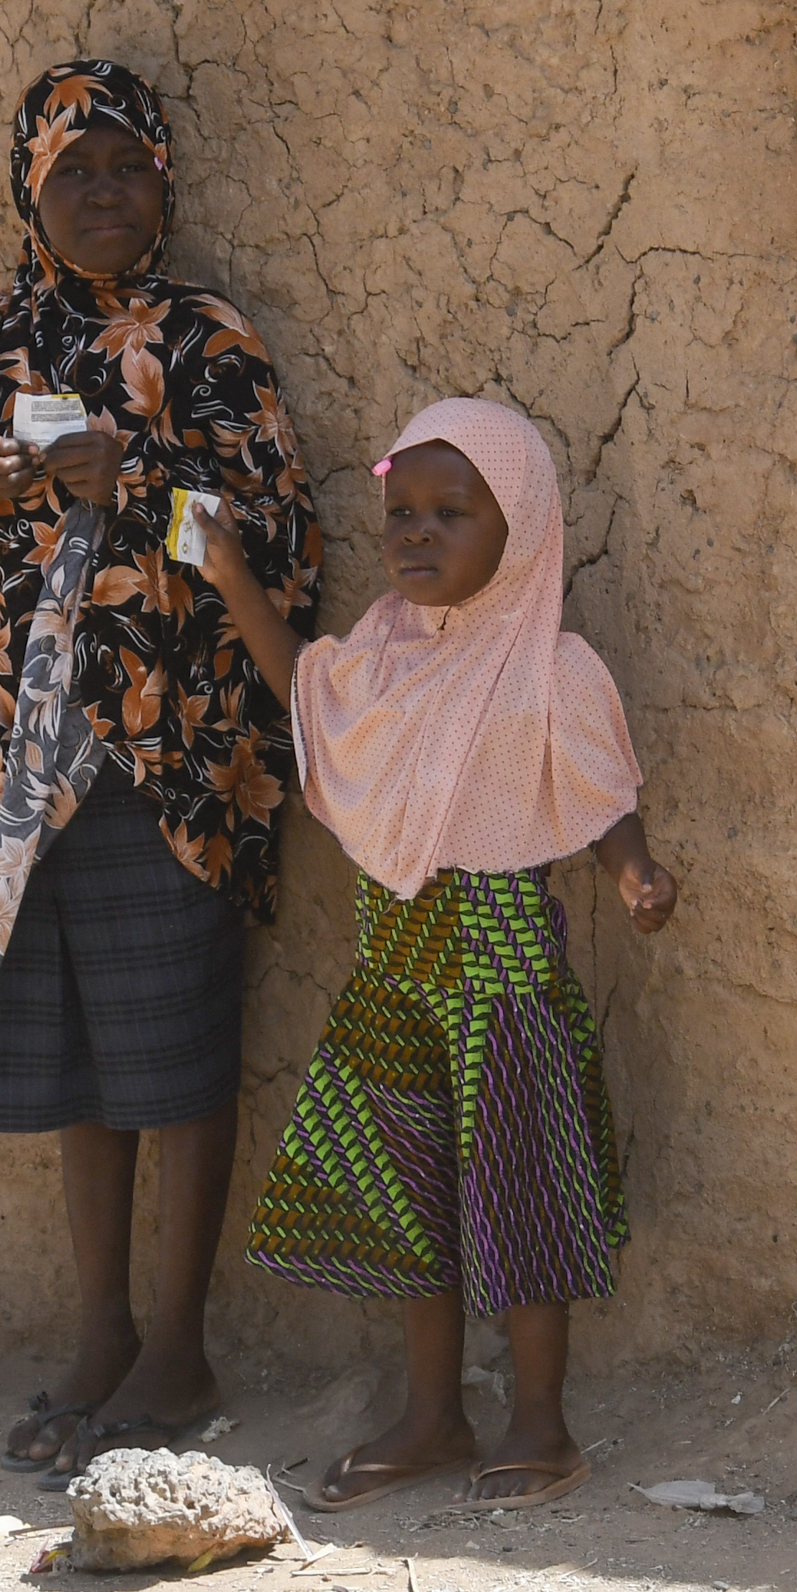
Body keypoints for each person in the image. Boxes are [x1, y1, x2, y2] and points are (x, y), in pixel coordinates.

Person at [0, 60, 323, 1481]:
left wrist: (126, 475)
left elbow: (276, 532)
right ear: (30, 185)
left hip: (171, 757)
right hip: (28, 770)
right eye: (73, 168)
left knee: (176, 1055)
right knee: (81, 1062)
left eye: (127, 167)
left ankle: (179, 1343)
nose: (101, 192)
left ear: (165, 182)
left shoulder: (207, 341)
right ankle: (98, 1331)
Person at [192, 396, 676, 1510]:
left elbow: (601, 798)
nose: (415, 533)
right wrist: (232, 583)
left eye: (451, 513)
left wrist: (636, 874)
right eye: (400, 511)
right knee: (409, 1201)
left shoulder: (552, 670)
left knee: (517, 1198)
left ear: (521, 534)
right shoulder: (382, 653)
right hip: (395, 978)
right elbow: (305, 684)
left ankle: (542, 1425)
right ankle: (431, 1415)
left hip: (504, 986)